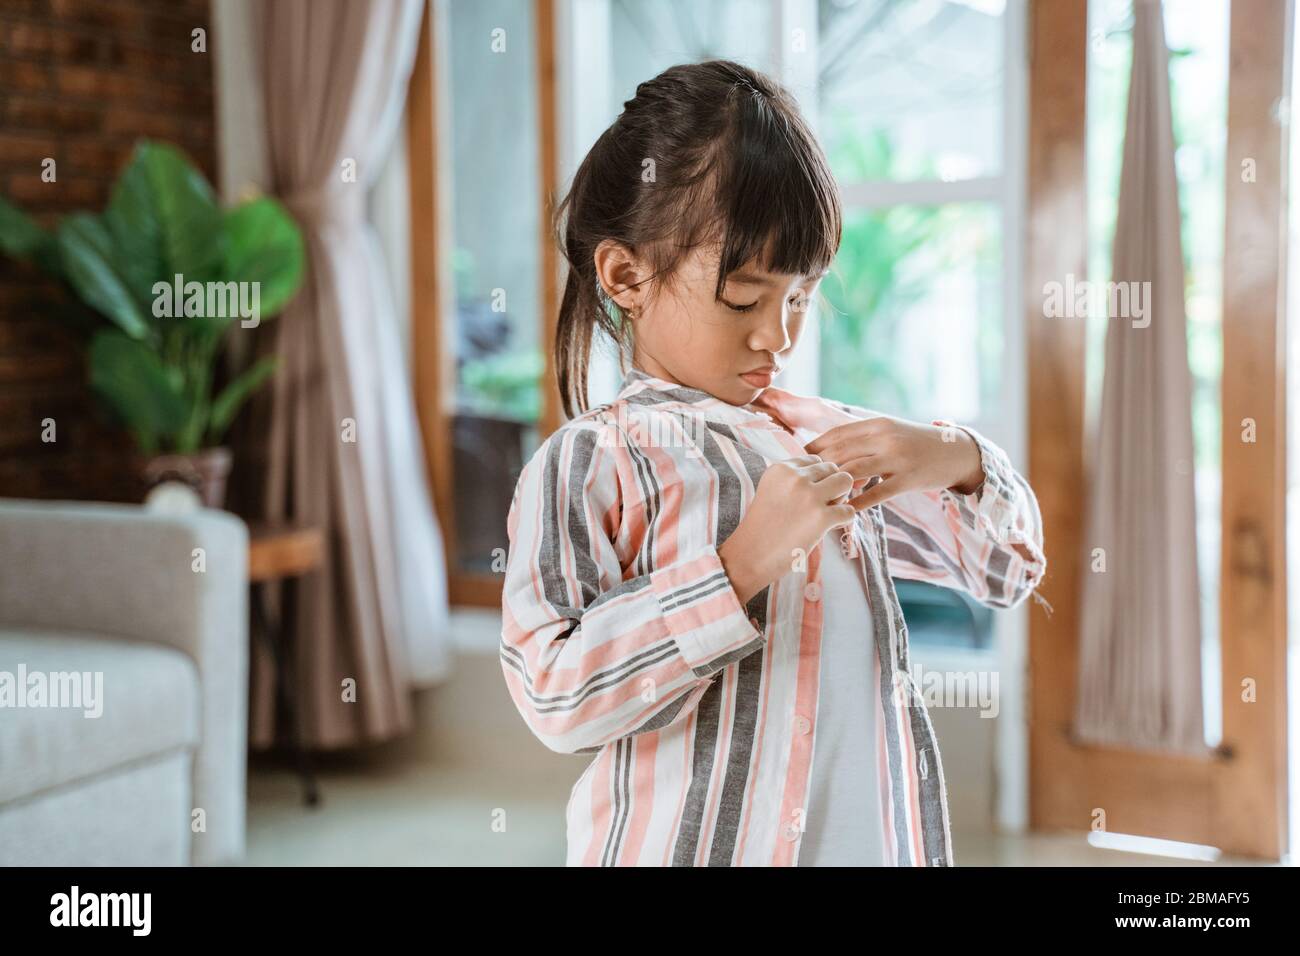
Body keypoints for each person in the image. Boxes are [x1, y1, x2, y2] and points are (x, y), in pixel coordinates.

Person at [499, 60, 1047, 866]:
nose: (779, 337)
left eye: (799, 298)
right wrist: (743, 562)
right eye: (745, 299)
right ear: (625, 275)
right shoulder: (593, 459)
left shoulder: (826, 440)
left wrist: (958, 458)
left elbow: (1005, 573)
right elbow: (555, 696)